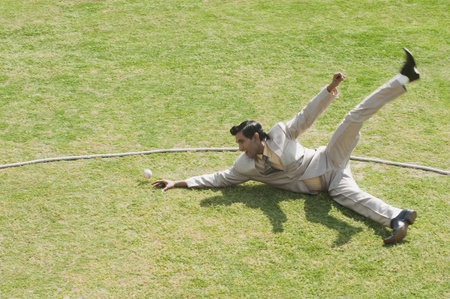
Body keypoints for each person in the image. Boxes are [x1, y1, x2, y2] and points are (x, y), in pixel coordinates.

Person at [153, 48, 420, 244]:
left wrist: (329, 89)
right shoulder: (245, 166)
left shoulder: (281, 132)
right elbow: (219, 179)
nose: (239, 148)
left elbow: (307, 116)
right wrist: (179, 182)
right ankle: (398, 216)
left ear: (256, 137)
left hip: (329, 159)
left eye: (241, 142)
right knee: (351, 199)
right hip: (330, 184)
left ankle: (402, 79)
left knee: (352, 118)